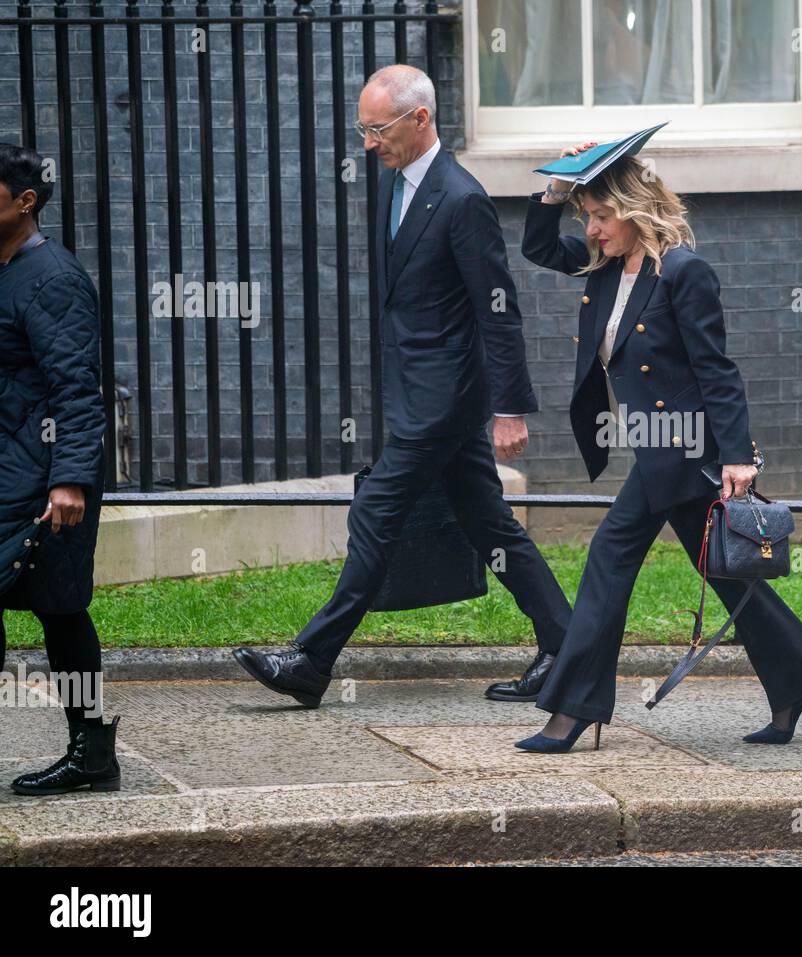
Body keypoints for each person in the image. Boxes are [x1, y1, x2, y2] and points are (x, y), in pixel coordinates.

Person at [233, 65, 572, 706]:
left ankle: (311, 660)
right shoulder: (397, 184)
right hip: (418, 390)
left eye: (377, 129)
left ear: (420, 120)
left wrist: (510, 409)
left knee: (376, 511)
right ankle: (564, 645)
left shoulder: (462, 197)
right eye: (363, 129)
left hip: (443, 402)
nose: (368, 143)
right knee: (489, 524)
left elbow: (496, 310)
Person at [513, 141, 802, 753]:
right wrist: (558, 188)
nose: (592, 229)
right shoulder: (604, 266)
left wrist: (738, 456)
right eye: (587, 217)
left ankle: (571, 711)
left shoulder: (683, 272)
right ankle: (797, 679)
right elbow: (536, 247)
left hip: (687, 448)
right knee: (722, 568)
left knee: (609, 558)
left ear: (636, 211)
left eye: (601, 216)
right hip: (654, 445)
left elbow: (718, 370)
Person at [0, 143, 120, 795]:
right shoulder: (5, 268)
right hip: (8, 469)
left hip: (49, 480)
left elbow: (76, 386)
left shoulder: (54, 279)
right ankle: (93, 752)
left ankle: (93, 752)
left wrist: (70, 477)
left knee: (62, 608)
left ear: (25, 203)